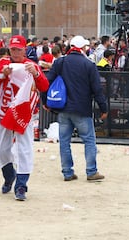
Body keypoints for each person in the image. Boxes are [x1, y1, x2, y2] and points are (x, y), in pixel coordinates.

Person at [0, 35, 49, 201]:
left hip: (23, 113)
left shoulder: (31, 65)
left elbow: (44, 86)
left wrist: (36, 74)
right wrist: (2, 75)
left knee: (24, 149)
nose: (15, 52)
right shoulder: (3, 63)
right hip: (4, 112)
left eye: (19, 49)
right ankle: (9, 175)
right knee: (1, 150)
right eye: (13, 49)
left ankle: (21, 185)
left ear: (25, 49)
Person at [46, 35, 107, 181]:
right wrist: (103, 108)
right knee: (89, 140)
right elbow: (97, 89)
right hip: (82, 108)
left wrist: (45, 101)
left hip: (63, 108)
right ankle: (91, 171)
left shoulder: (60, 62)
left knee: (64, 141)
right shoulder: (89, 65)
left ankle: (67, 172)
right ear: (83, 48)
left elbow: (47, 81)